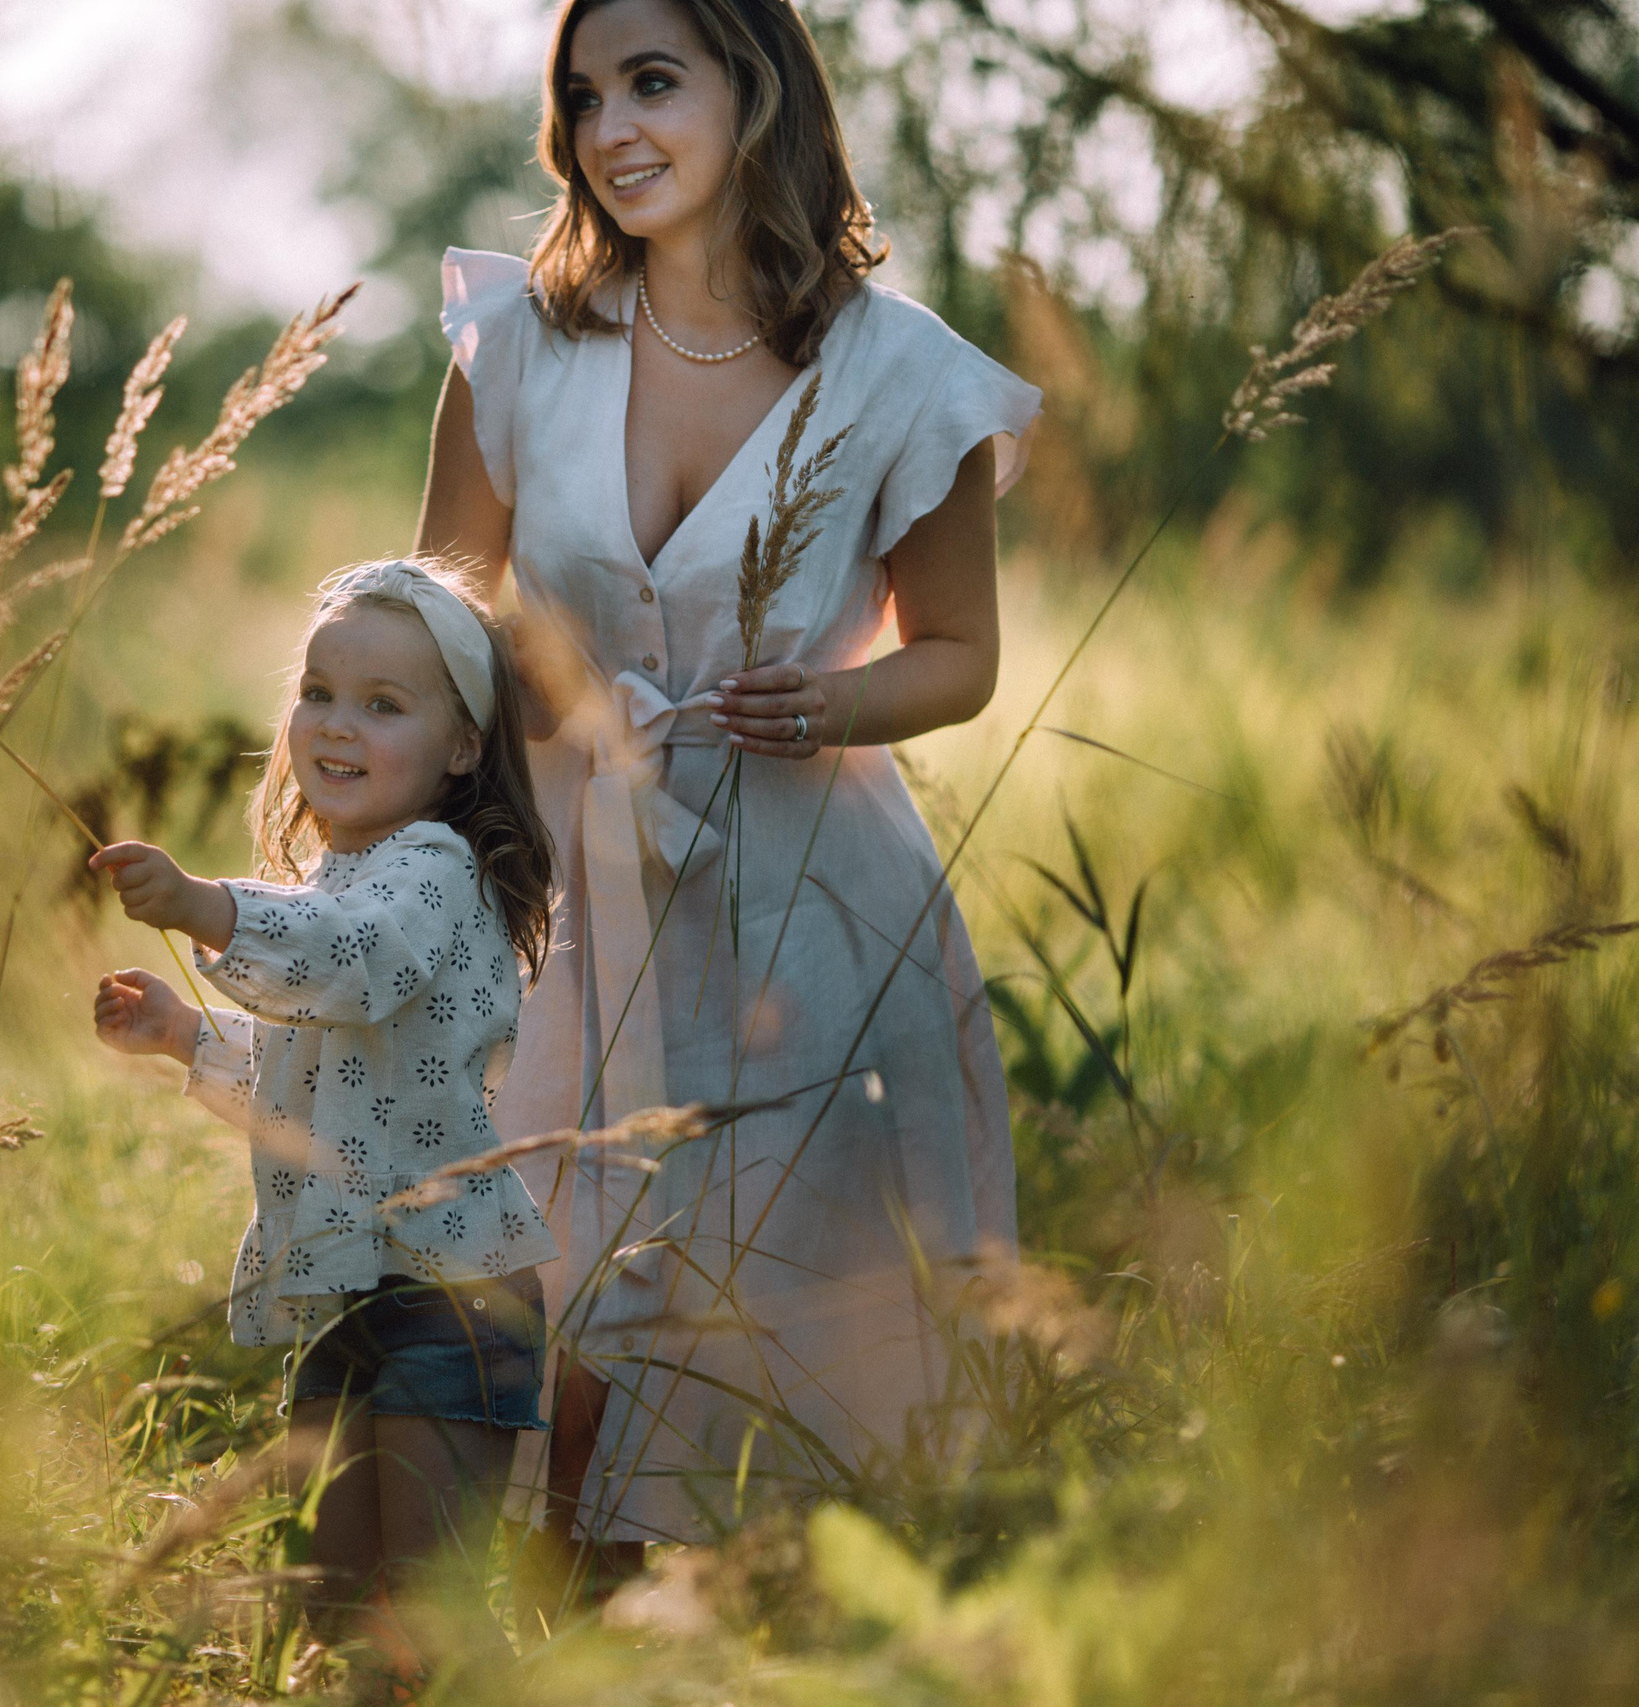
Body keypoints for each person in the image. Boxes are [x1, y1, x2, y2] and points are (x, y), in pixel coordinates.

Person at [414, 0, 1038, 1580]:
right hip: (566, 892)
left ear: (756, 88)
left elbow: (959, 654)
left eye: (651, 82)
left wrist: (833, 695)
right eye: (581, 96)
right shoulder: (514, 345)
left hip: (813, 915)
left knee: (782, 1326)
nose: (608, 127)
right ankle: (556, 1639)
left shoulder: (903, 373)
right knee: (548, 1295)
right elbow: (442, 628)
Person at [89, 558, 560, 1675]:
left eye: (383, 705)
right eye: (318, 692)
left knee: (429, 1613)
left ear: (459, 747)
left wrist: (207, 909)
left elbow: (352, 964)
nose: (335, 726)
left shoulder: (433, 875)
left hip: (451, 1298)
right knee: (339, 1611)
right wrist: (186, 1040)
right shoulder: (338, 886)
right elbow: (316, 1086)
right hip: (355, 1293)